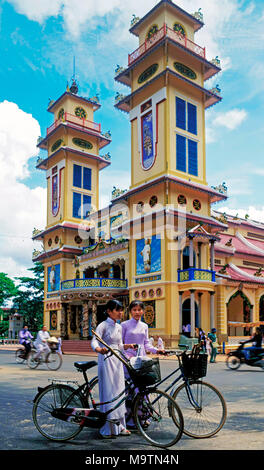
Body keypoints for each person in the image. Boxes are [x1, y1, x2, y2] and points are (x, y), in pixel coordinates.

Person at [91, 299, 136, 439]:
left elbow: (119, 345)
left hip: (118, 361)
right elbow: (94, 340)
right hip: (106, 361)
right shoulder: (103, 325)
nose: (121, 313)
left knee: (119, 393)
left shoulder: (119, 327)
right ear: (109, 311)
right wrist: (99, 349)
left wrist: (127, 346)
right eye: (118, 310)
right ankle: (108, 428)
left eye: (121, 310)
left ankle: (120, 426)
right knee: (109, 393)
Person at [121, 300, 165, 428]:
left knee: (144, 390)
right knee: (131, 390)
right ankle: (129, 419)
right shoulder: (124, 325)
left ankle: (142, 417)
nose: (137, 312)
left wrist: (157, 350)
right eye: (134, 310)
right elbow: (121, 344)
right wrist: (126, 357)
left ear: (143, 311)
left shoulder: (144, 326)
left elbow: (146, 344)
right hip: (128, 360)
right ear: (130, 311)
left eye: (139, 310)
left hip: (141, 359)